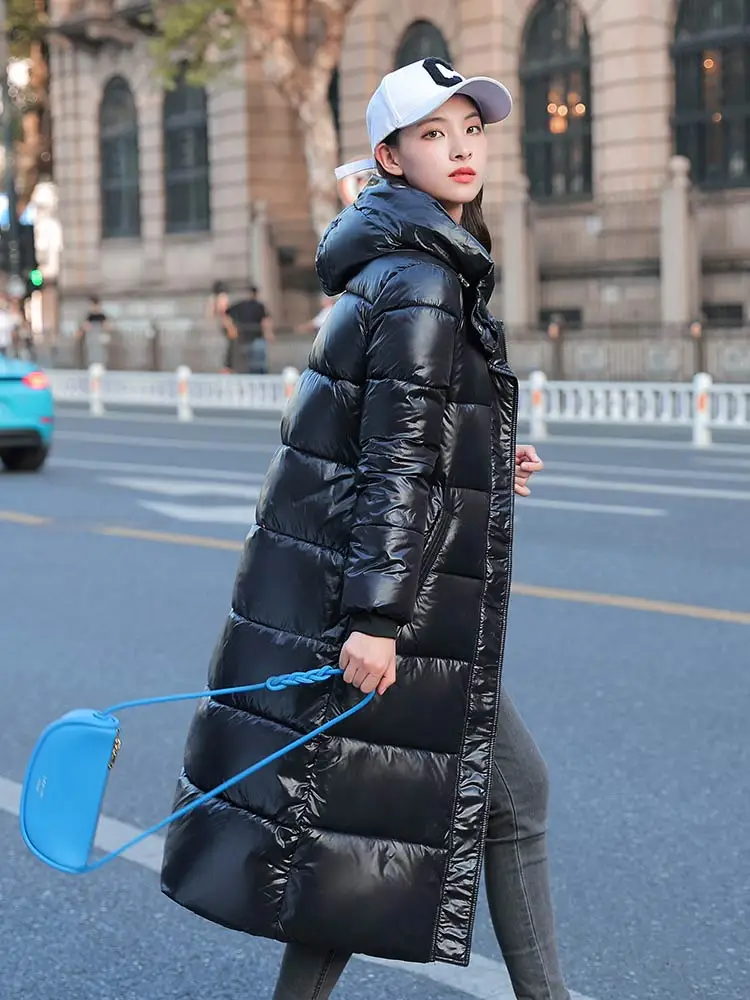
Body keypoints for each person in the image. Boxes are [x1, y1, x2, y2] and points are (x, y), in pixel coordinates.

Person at [161, 57, 570, 1000]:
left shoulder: (400, 266)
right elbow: (389, 464)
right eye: (434, 134)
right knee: (514, 797)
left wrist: (484, 457)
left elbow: (385, 432)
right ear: (390, 159)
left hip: (376, 582)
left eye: (470, 128)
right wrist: (379, 621)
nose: (461, 147)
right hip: (398, 595)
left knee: (350, 821)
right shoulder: (423, 280)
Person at [224, 285, 275, 374]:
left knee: (249, 365)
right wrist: (268, 333)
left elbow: (226, 314)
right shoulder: (256, 306)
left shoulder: (245, 305)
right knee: (257, 365)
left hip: (244, 338)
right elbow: (265, 321)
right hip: (252, 338)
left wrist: (231, 328)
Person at [76, 295, 111, 367]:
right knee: (91, 355)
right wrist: (82, 331)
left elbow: (107, 327)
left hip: (99, 340)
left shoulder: (102, 316)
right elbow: (83, 327)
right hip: (90, 340)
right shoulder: (89, 316)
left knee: (100, 355)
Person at [205, 280, 231, 372]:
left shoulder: (211, 299)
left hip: (214, 331)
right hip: (222, 330)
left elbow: (209, 316)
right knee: (224, 358)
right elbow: (223, 312)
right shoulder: (222, 298)